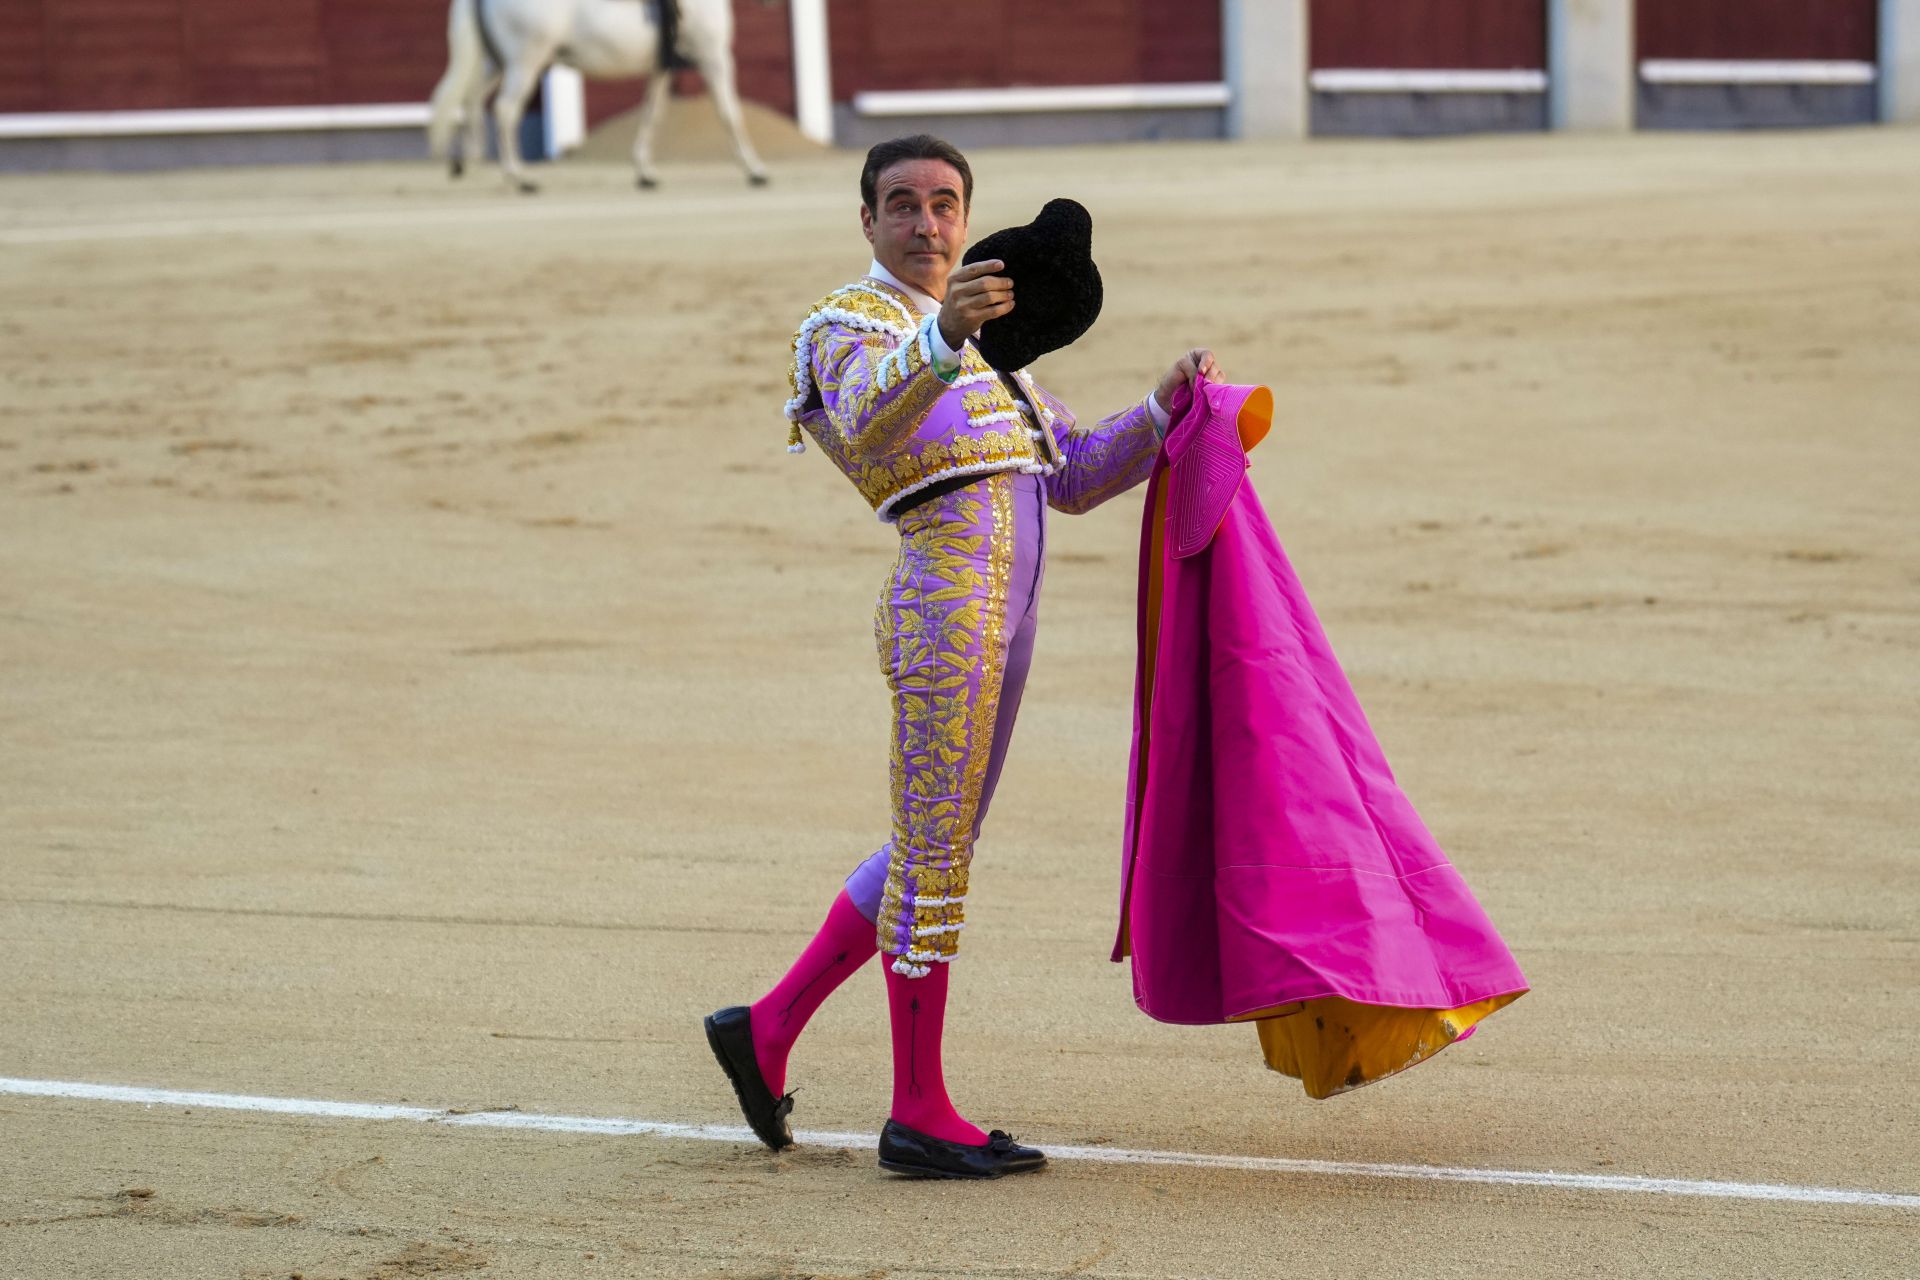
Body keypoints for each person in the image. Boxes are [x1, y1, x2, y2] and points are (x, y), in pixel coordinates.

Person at [705, 133, 1219, 1180]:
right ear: (867, 222)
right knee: (935, 849)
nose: (927, 223)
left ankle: (765, 1027)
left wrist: (1162, 409)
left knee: (930, 843)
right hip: (945, 611)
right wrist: (942, 332)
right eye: (903, 205)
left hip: (1007, 616)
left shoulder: (999, 352)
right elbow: (868, 416)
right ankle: (917, 1108)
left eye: (945, 204)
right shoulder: (846, 325)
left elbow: (1069, 473)